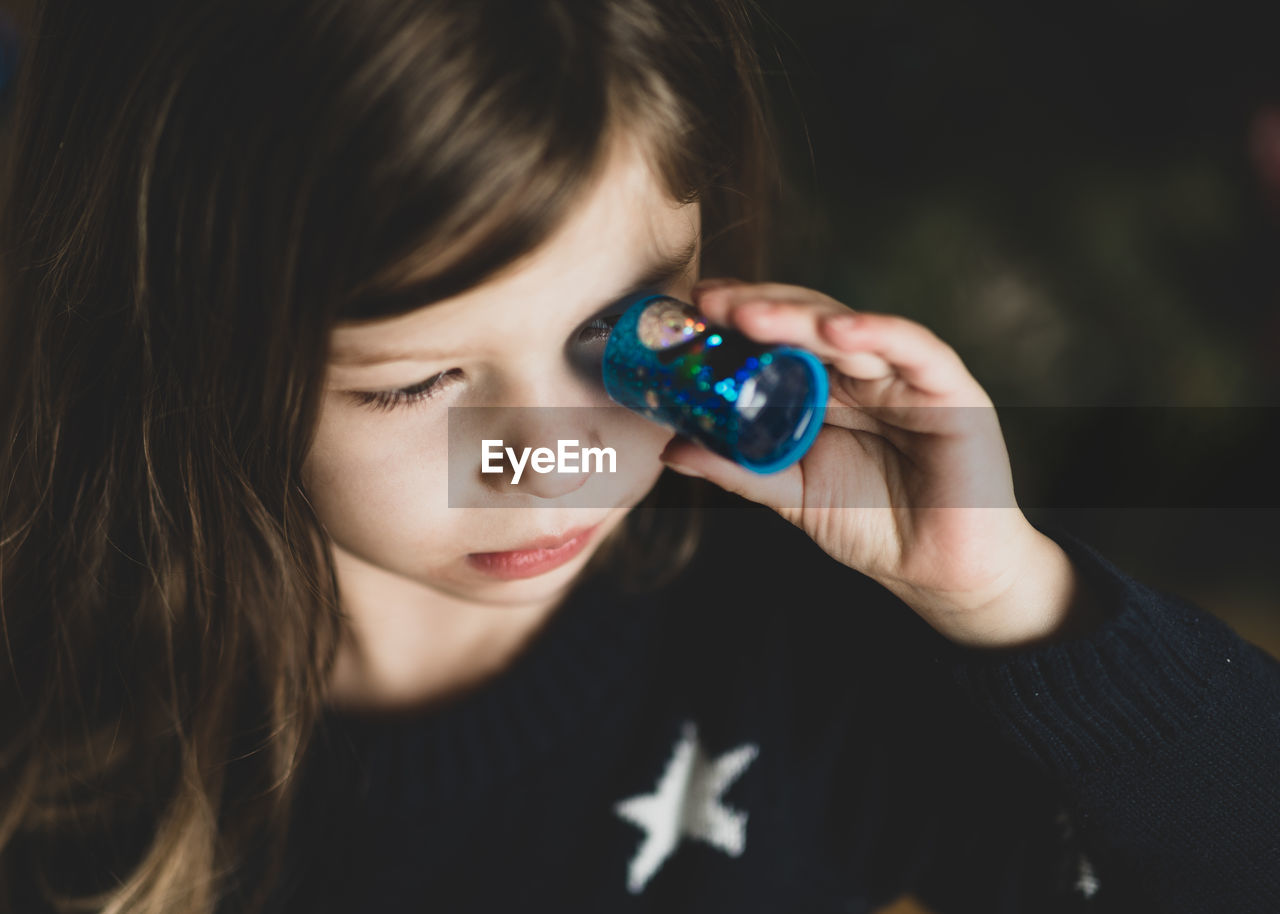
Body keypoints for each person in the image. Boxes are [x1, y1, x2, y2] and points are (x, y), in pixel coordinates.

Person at [1, 1, 1276, 912]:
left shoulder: (792, 628)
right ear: (162, 332)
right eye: (412, 384)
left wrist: (1015, 602)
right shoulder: (56, 714)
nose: (550, 465)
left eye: (628, 340)